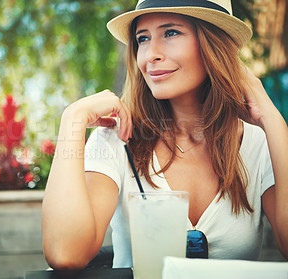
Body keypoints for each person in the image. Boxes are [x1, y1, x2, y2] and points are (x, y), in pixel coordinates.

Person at [42, 0, 288, 270]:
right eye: (142, 39)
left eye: (170, 33)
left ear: (213, 44)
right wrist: (73, 119)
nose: (150, 55)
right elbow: (65, 254)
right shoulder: (116, 140)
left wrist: (272, 119)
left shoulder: (260, 143)